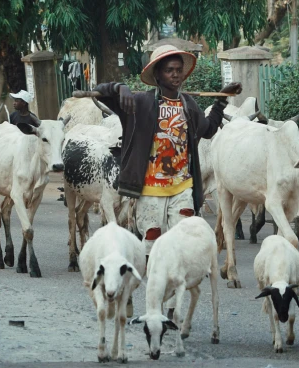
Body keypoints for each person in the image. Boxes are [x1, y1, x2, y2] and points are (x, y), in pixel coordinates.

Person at [77, 44, 242, 258]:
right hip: (149, 190)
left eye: (178, 70)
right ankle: (156, 288)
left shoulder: (188, 105)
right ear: (157, 74)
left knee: (183, 244)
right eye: (169, 70)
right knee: (152, 245)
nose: (175, 75)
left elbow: (209, 129)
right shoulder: (138, 104)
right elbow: (100, 92)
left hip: (182, 189)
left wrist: (221, 100)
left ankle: (177, 289)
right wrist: (119, 88)